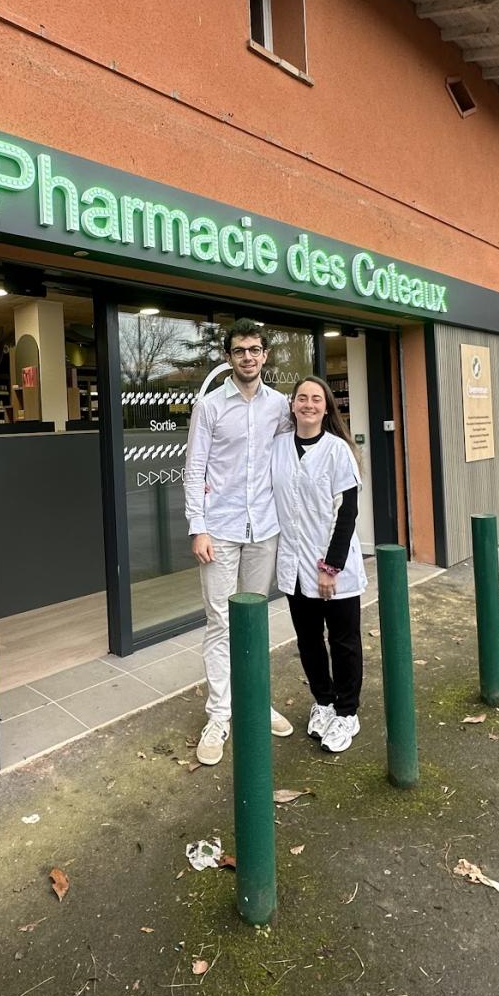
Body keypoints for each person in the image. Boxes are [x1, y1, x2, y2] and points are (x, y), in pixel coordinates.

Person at [184, 318, 295, 766]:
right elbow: (195, 468)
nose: (247, 357)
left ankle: (254, 701)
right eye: (239, 350)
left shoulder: (281, 407)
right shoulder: (210, 407)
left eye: (254, 349)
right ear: (229, 357)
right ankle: (219, 715)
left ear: (265, 355)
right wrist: (198, 525)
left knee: (253, 622)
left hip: (264, 529)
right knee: (220, 622)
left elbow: (291, 461)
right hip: (221, 530)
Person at [271, 375, 367, 753]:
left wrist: (331, 568)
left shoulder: (337, 450)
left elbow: (347, 513)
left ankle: (347, 713)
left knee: (343, 642)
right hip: (294, 567)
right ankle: (323, 703)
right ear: (292, 406)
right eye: (302, 398)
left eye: (316, 399)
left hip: (332, 567)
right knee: (309, 642)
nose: (308, 404)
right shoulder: (278, 447)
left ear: (327, 408)